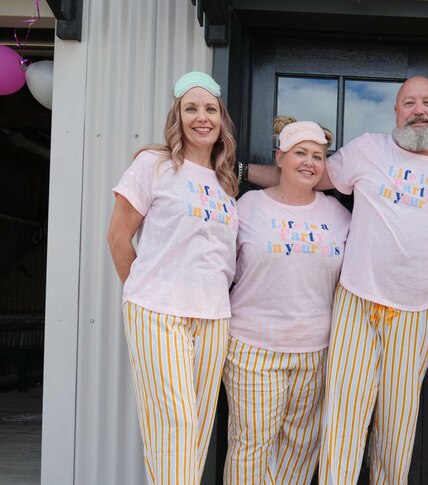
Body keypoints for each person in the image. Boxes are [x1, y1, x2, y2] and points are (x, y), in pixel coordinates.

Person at [244, 76, 428, 484]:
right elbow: (304, 178)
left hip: (417, 311)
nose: (419, 110)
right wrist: (234, 170)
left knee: (397, 426)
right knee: (343, 421)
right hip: (358, 303)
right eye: (409, 102)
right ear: (396, 111)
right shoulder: (368, 149)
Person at [106, 71, 238, 484]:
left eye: (211, 109)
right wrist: (143, 292)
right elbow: (118, 237)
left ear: (221, 121)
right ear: (177, 117)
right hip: (159, 312)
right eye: (191, 108)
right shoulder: (155, 165)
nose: (202, 117)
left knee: (195, 432)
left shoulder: (225, 182)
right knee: (176, 423)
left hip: (214, 316)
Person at [222, 118, 350, 484]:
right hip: (252, 348)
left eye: (317, 156)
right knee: (253, 443)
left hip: (315, 350)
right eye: (300, 153)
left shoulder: (338, 216)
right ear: (279, 157)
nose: (309, 162)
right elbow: (219, 269)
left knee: (300, 445)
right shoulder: (247, 207)